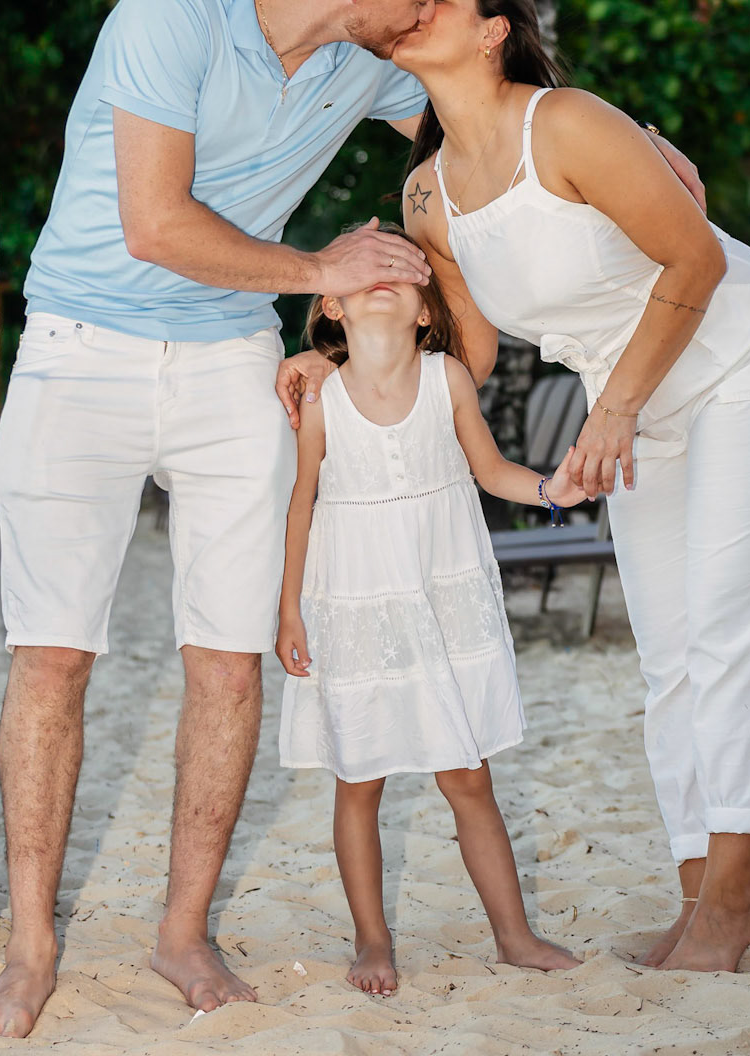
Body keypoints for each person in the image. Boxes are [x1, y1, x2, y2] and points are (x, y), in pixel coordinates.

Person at [0, 0, 484, 1039]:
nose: (424, 20)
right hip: (80, 346)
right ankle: (32, 943)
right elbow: (156, 222)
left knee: (231, 661)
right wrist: (323, 268)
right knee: (51, 655)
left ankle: (182, 928)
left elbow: (482, 106)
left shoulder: (365, 56)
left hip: (226, 363)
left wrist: (603, 136)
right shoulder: (177, 4)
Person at [281, 0, 750, 977]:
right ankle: (697, 897)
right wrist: (328, 362)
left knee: (728, 630)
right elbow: (468, 353)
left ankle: (735, 895)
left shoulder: (568, 122)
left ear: (493, 28)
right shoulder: (426, 194)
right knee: (669, 651)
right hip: (636, 409)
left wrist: (615, 403)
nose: (417, 7)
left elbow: (699, 258)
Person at [275, 229, 587, 995]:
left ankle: (513, 935)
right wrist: (287, 612)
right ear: (331, 307)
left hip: (441, 589)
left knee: (468, 775)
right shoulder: (320, 396)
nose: (382, 282)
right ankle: (372, 941)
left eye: (400, 277)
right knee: (360, 776)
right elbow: (300, 505)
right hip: (354, 594)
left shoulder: (448, 377)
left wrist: (553, 491)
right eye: (365, 275)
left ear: (424, 314)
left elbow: (491, 471)